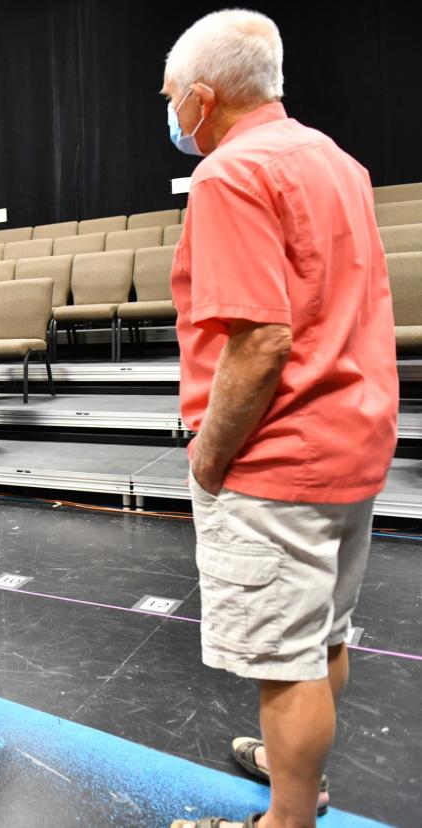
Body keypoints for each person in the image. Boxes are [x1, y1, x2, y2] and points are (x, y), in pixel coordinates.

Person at [160, 11, 398, 828]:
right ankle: (295, 767)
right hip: (351, 440)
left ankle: (288, 818)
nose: (170, 115)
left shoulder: (231, 175)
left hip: (277, 456)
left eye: (170, 99)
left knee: (284, 666)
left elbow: (259, 342)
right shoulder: (340, 162)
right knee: (323, 637)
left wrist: (208, 458)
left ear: (201, 96)